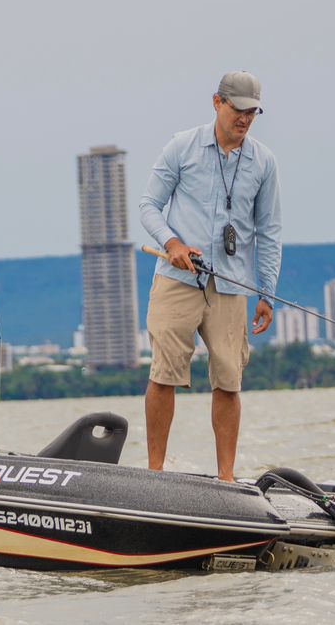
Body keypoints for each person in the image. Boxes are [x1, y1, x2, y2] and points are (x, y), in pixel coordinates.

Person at [138, 71, 281, 481]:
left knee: (229, 379)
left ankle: (227, 478)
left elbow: (269, 231)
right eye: (238, 109)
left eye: (252, 112)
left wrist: (267, 293)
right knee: (164, 373)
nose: (245, 118)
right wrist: (173, 244)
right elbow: (149, 206)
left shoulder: (264, 162)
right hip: (177, 279)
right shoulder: (181, 147)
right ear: (217, 102)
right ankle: (155, 473)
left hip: (233, 285)